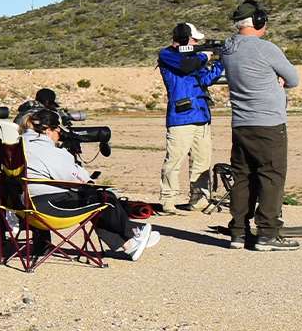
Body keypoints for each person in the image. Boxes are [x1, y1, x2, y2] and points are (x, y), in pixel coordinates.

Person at [23, 109, 157, 260]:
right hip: (47, 209)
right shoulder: (48, 151)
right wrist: (84, 176)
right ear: (48, 130)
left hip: (23, 207)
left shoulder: (18, 144)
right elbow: (78, 180)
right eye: (58, 131)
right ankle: (134, 230)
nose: (59, 135)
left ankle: (130, 244)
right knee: (104, 197)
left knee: (91, 201)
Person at [221, 0, 300, 251]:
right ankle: (267, 233)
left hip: (241, 123)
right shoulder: (266, 49)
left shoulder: (228, 47)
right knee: (271, 176)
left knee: (243, 177)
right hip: (268, 123)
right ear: (257, 22)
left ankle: (238, 233)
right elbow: (293, 79)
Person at [155, 23, 224, 214]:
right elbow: (186, 67)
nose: (196, 43)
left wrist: (220, 62)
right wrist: (205, 55)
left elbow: (206, 79)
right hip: (181, 117)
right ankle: (168, 201)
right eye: (194, 40)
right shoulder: (168, 55)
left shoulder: (193, 58)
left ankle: (199, 199)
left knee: (202, 162)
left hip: (201, 116)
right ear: (185, 39)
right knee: (174, 161)